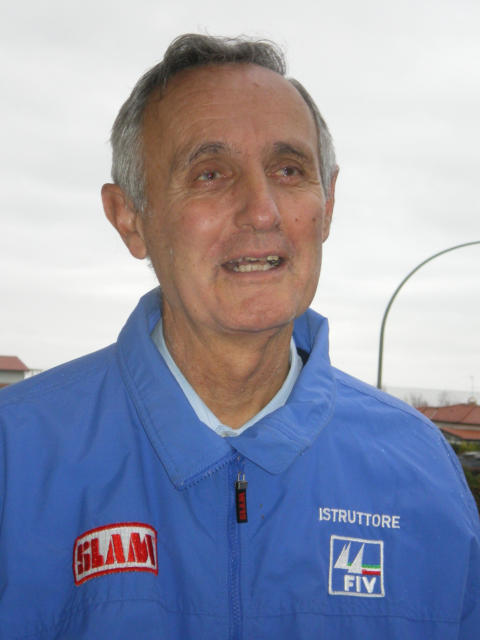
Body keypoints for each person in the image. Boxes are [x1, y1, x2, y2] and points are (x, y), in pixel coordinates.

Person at [0, 34, 479, 639]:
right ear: (130, 218)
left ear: (328, 203)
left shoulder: (421, 470)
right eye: (210, 173)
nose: (261, 210)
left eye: (289, 169)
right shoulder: (15, 457)